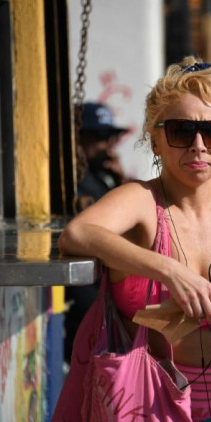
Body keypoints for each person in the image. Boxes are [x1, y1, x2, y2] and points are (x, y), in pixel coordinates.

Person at [48, 57, 211, 422]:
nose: (198, 146)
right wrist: (168, 270)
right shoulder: (142, 201)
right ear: (156, 138)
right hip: (145, 409)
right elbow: (76, 234)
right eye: (181, 131)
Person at [64, 102, 130, 366]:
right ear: (80, 139)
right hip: (82, 298)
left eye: (110, 138)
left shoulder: (102, 177)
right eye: (100, 138)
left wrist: (122, 182)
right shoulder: (76, 182)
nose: (107, 146)